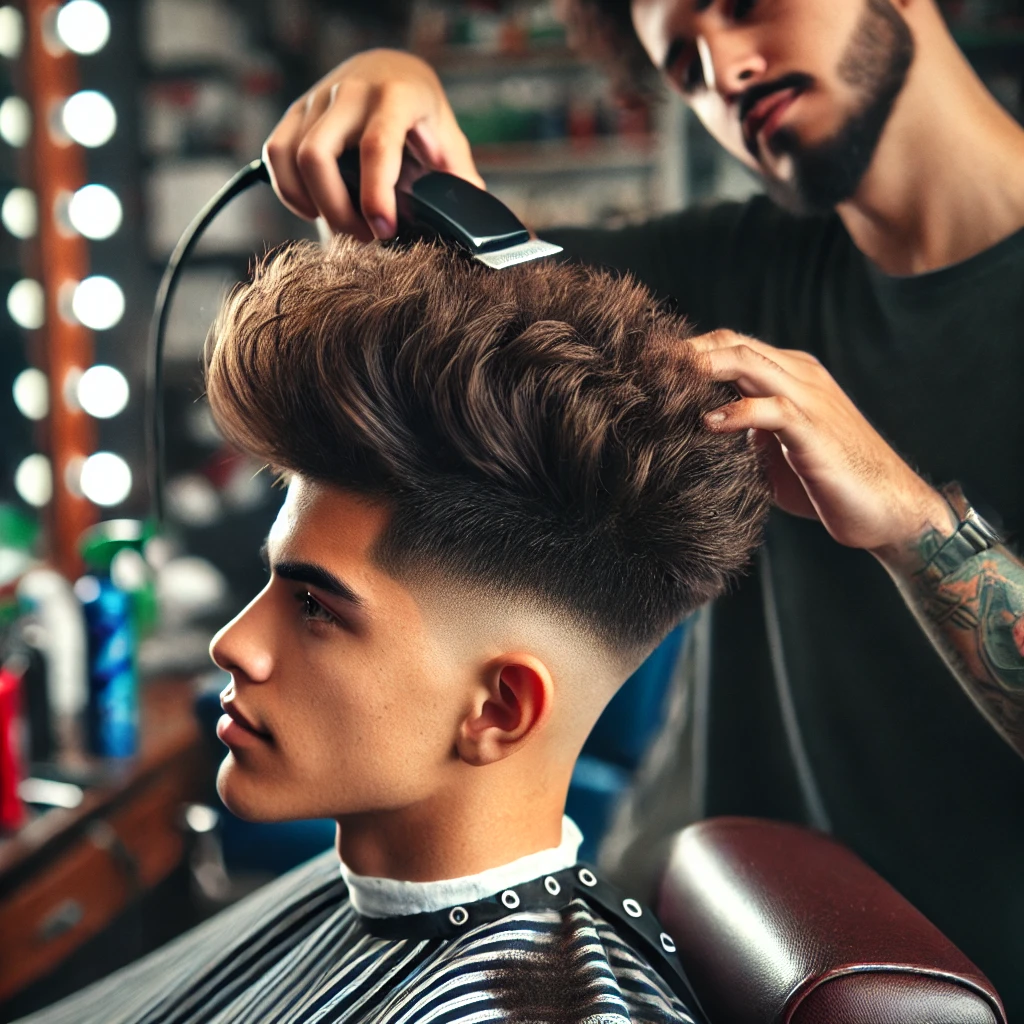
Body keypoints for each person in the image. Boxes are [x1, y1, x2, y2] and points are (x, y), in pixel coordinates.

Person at [260, 0, 1024, 1010]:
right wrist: (392, 107)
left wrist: (912, 521)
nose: (726, 71)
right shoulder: (721, 271)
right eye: (683, 65)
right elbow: (462, 306)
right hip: (704, 952)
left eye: (744, 6)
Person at [19, 237, 770, 1023]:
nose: (231, 644)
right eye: (272, 583)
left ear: (498, 709)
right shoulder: (363, 892)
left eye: (316, 607)